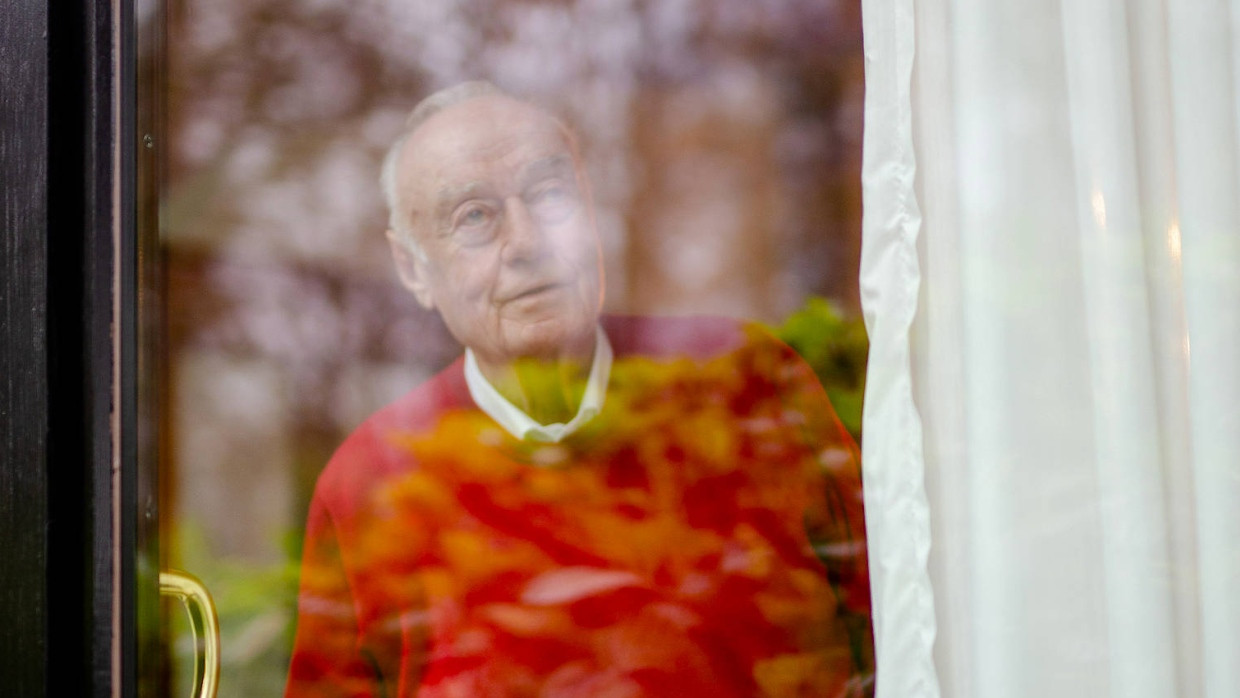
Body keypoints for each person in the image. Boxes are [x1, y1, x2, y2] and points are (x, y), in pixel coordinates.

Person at [285, 82, 873, 697]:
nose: (528, 243)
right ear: (412, 268)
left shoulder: (745, 383)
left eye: (549, 194)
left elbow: (890, 619)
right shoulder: (374, 479)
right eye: (474, 217)